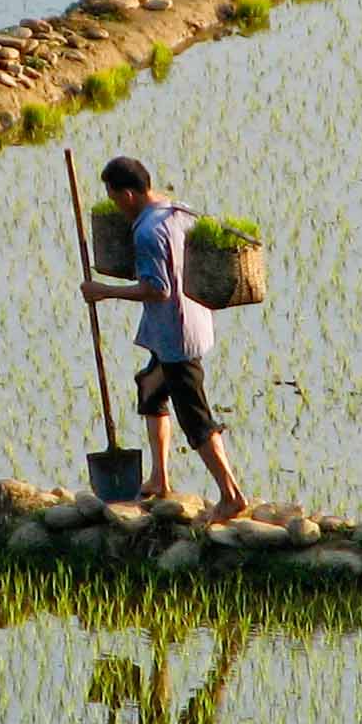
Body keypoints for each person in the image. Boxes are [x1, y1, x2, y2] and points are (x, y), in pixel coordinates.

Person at [81, 154, 251, 522]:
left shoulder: (146, 232)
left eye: (113, 198)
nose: (114, 206)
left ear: (126, 195)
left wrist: (104, 291)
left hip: (176, 335)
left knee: (196, 419)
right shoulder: (179, 210)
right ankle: (159, 478)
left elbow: (157, 289)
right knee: (151, 390)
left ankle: (231, 495)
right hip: (188, 322)